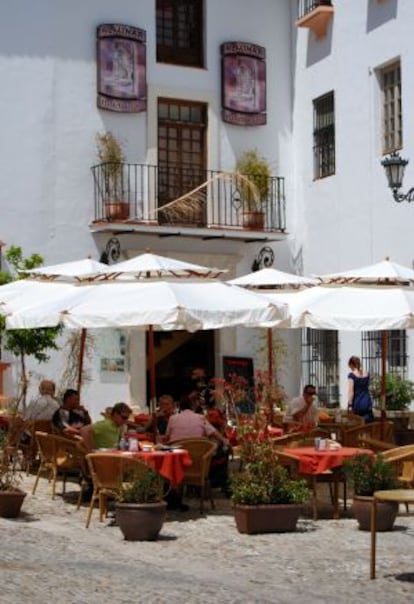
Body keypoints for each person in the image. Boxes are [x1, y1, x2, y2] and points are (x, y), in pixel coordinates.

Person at [347, 355, 374, 423]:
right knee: (368, 425)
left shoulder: (352, 375)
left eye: (350, 366)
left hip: (357, 403)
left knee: (357, 426)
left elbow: (351, 391)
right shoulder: (367, 374)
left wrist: (350, 405)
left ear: (352, 365)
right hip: (367, 402)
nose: (350, 368)